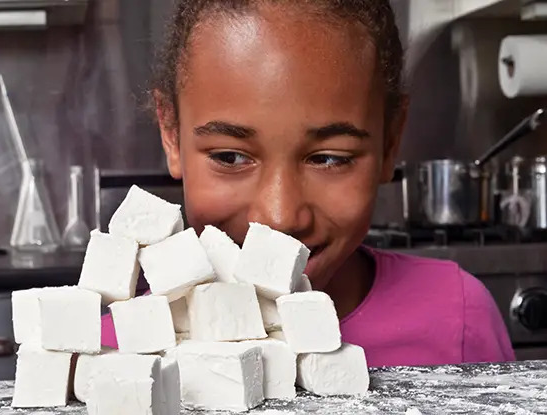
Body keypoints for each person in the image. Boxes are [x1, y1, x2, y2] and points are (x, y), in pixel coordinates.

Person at [101, 0, 515, 367]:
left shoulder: (457, 316)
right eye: (230, 157)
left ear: (390, 142)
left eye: (329, 158)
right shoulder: (106, 355)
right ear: (171, 133)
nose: (280, 217)